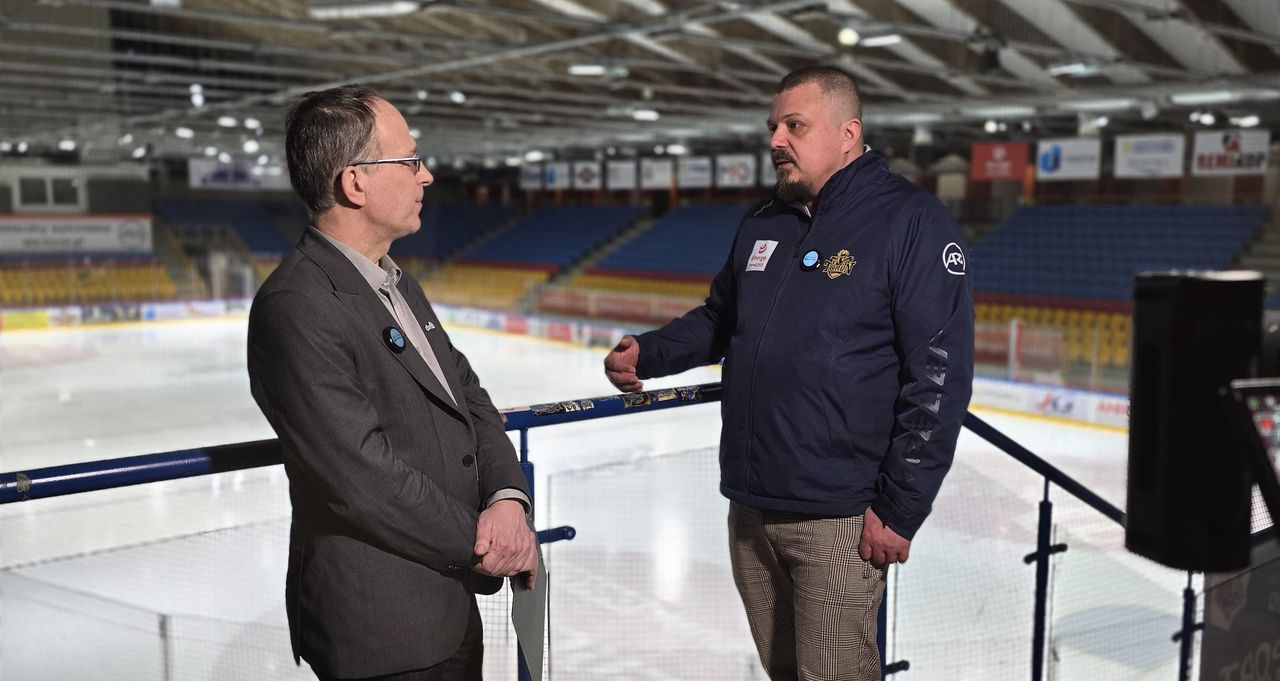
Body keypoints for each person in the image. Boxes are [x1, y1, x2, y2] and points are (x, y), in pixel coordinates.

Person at [604, 66, 973, 681]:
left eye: (794, 125)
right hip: (751, 508)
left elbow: (939, 374)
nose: (776, 140)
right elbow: (722, 318)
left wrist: (902, 508)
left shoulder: (909, 221)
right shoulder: (764, 221)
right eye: (773, 126)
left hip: (840, 517)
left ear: (848, 133)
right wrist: (650, 352)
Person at [248, 84, 537, 681]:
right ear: (355, 183)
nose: (425, 175)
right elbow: (360, 479)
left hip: (449, 607)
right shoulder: (296, 306)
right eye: (409, 161)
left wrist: (507, 499)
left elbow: (469, 398)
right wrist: (486, 545)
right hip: (382, 630)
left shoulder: (396, 282)